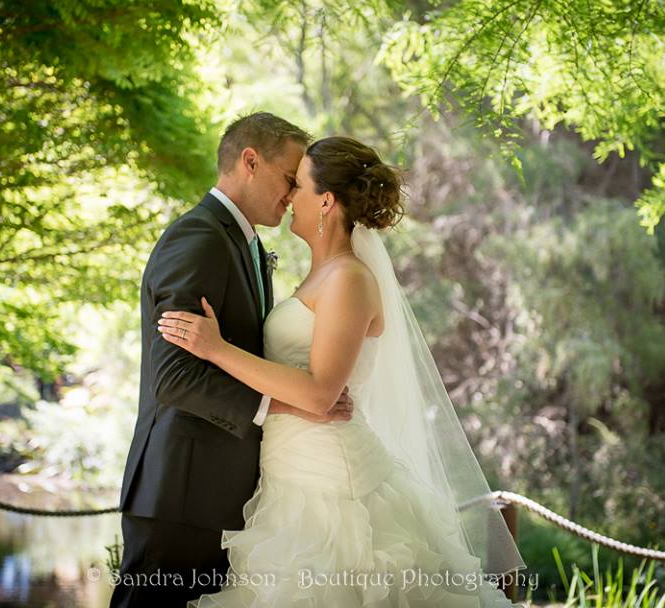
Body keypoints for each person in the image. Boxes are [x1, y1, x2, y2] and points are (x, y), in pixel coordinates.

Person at [159, 136, 527, 607]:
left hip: (333, 485)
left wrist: (215, 349)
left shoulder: (349, 279)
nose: (290, 197)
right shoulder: (320, 275)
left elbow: (319, 394)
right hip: (290, 473)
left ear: (326, 201)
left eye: (300, 186)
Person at [111, 113, 356, 608]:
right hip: (181, 492)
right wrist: (285, 407)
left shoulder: (249, 245)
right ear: (250, 161)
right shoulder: (198, 238)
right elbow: (174, 377)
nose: (293, 195)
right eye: (290, 179)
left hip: (223, 497)